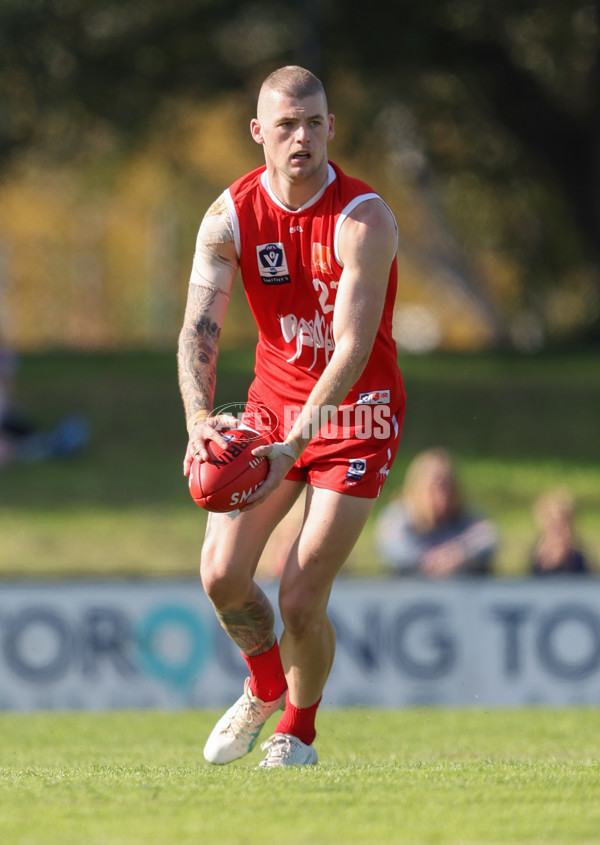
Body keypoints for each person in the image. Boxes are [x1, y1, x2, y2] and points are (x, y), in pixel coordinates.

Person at [177, 66, 405, 767]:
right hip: (271, 407)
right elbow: (198, 332)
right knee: (220, 574)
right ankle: (265, 683)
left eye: (313, 122)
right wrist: (198, 421)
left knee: (302, 592)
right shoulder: (229, 216)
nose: (301, 136)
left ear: (331, 127)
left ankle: (296, 731)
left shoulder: (364, 218)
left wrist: (298, 442)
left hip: (356, 412)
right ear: (259, 134)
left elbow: (352, 348)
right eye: (286, 125)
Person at [374, 448, 497, 577]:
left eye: (447, 487)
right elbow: (392, 547)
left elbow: (488, 538)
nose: (442, 496)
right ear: (417, 488)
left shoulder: (465, 514)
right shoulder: (398, 516)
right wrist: (428, 561)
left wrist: (459, 555)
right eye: (434, 488)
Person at [530, 487, 591, 575]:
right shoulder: (533, 555)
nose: (559, 531)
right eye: (554, 525)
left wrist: (569, 561)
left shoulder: (580, 556)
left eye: (564, 525)